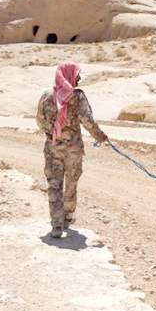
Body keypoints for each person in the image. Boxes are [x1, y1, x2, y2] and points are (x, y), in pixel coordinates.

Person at [36, 62, 108, 238]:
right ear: (70, 76)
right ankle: (67, 216)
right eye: (77, 75)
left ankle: (56, 225)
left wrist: (53, 133)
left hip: (53, 147)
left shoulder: (47, 96)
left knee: (54, 184)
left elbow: (40, 121)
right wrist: (100, 136)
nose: (80, 78)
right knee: (71, 182)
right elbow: (87, 120)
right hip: (74, 150)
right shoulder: (78, 97)